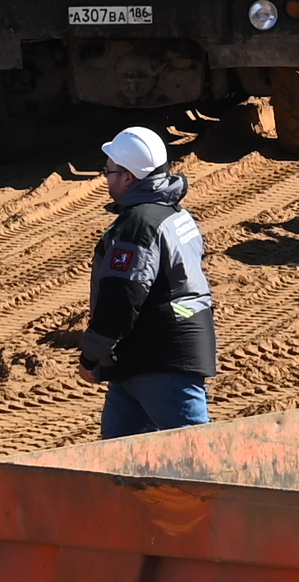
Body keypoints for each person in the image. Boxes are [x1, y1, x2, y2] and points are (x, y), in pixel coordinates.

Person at [78, 126, 217, 435]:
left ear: (128, 178)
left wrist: (91, 354)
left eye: (109, 171)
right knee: (120, 463)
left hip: (161, 360)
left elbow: (122, 297)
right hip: (142, 357)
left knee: (196, 455)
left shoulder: (138, 225)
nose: (106, 178)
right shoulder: (175, 214)